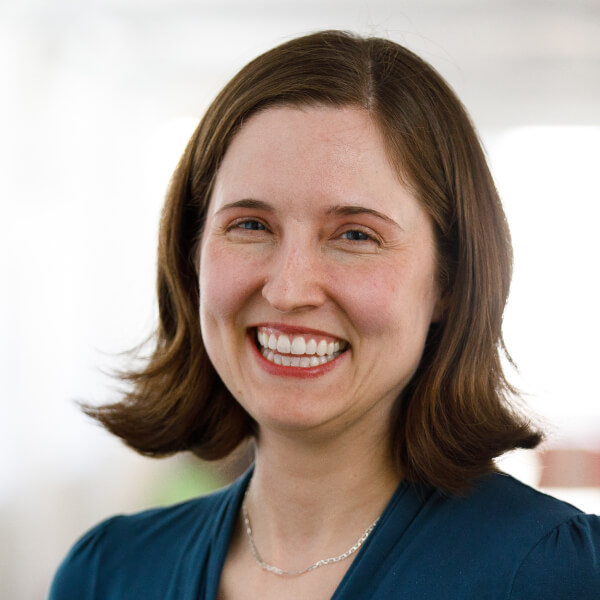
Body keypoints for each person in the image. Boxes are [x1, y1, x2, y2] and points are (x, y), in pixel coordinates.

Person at [49, 30, 600, 599]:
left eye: (356, 235)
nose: (288, 290)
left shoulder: (559, 575)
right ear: (191, 254)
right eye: (250, 225)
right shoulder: (106, 574)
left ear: (449, 283)